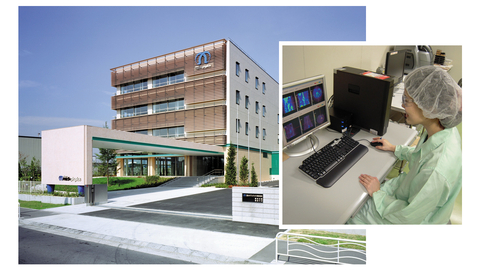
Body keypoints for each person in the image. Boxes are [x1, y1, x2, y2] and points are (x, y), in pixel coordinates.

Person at [347, 65, 462, 224]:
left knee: (351, 216)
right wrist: (395, 148)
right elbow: (422, 155)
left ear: (430, 107)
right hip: (409, 197)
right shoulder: (443, 130)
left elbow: (408, 217)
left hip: (413, 219)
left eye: (406, 100)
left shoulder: (436, 171)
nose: (402, 105)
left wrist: (378, 193)